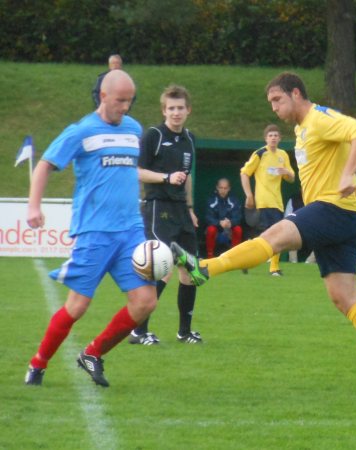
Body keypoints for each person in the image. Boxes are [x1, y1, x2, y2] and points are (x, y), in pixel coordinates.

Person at [172, 72, 356, 387]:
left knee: (271, 239)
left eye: (277, 99)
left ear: (296, 93)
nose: (273, 108)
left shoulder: (319, 119)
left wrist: (348, 174)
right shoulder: (302, 130)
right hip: (339, 217)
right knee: (344, 297)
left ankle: (204, 268)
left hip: (333, 209)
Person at [24, 70, 156, 388]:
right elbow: (44, 165)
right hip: (94, 232)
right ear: (103, 96)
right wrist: (33, 205)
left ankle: (93, 353)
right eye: (121, 100)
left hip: (130, 231)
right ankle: (38, 363)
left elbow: (127, 171)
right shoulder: (81, 131)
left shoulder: (133, 129)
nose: (126, 106)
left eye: (130, 100)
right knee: (77, 306)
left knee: (145, 302)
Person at [129, 84, 202, 346]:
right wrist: (166, 178)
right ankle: (138, 331)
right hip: (158, 208)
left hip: (181, 210)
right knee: (162, 268)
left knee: (192, 271)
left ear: (188, 110)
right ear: (164, 110)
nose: (176, 112)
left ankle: (184, 331)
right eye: (171, 108)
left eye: (180, 108)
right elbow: (137, 171)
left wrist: (190, 208)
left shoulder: (190, 139)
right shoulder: (154, 136)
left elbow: (188, 176)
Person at [240, 124, 295, 276]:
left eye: (276, 135)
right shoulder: (260, 153)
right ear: (266, 138)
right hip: (262, 202)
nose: (273, 138)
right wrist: (249, 195)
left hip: (277, 202)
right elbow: (244, 173)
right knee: (262, 237)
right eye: (270, 136)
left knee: (278, 236)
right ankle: (244, 259)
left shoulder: (283, 155)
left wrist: (287, 173)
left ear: (280, 138)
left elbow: (292, 178)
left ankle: (274, 268)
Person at [205, 178, 243, 258]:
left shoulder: (234, 200)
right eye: (221, 188)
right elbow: (208, 217)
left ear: (229, 188)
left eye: (225, 188)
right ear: (217, 187)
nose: (223, 190)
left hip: (230, 229)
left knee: (238, 229)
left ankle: (234, 255)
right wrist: (219, 223)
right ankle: (210, 255)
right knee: (210, 229)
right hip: (216, 229)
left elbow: (238, 217)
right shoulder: (211, 200)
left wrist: (230, 223)